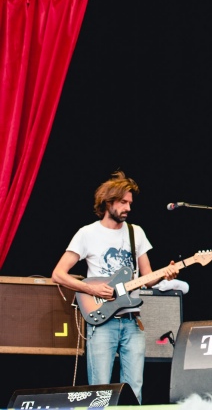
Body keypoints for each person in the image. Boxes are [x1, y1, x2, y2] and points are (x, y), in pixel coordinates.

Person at [52, 170, 179, 403]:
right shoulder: (87, 233)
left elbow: (147, 276)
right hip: (101, 322)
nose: (128, 208)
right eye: (123, 202)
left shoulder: (136, 232)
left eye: (130, 203)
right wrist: (91, 289)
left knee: (134, 391)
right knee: (99, 391)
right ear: (108, 202)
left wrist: (164, 275)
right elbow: (58, 274)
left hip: (132, 321)